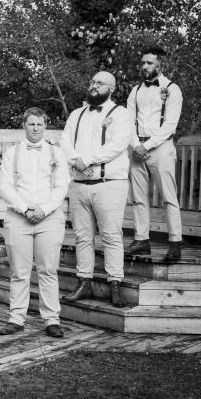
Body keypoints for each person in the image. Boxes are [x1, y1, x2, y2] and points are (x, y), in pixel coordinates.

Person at [60, 71, 131, 308]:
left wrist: (86, 160)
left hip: (109, 185)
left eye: (99, 83)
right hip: (79, 185)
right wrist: (76, 160)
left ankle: (115, 285)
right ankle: (84, 282)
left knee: (111, 236)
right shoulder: (76, 114)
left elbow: (117, 146)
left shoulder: (121, 114)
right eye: (92, 81)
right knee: (82, 237)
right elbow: (65, 143)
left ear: (111, 88)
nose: (93, 86)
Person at [0, 108, 70, 338]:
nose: (35, 128)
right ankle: (16, 318)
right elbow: (5, 186)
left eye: (39, 124)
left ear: (45, 126)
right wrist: (25, 209)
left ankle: (51, 319)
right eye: (31, 124)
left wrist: (44, 210)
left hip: (49, 218)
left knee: (48, 270)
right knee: (19, 271)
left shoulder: (56, 153)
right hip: (19, 217)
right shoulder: (13, 153)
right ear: (24, 126)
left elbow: (61, 186)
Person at [125, 46, 184, 262]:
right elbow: (128, 121)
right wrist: (134, 145)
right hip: (137, 149)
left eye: (149, 63)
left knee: (169, 197)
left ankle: (175, 242)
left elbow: (169, 125)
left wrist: (146, 146)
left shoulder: (172, 89)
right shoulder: (136, 90)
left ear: (160, 64)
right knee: (138, 198)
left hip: (160, 148)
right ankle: (142, 240)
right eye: (143, 63)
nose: (144, 66)